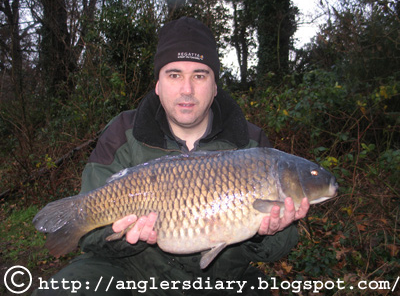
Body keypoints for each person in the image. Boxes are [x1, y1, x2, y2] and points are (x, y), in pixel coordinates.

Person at [33, 17, 309, 295]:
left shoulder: (252, 145)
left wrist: (269, 233)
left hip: (224, 278)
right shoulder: (123, 133)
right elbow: (91, 240)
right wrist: (123, 238)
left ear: (215, 87)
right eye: (174, 74)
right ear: (158, 84)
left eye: (199, 75)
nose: (186, 89)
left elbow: (275, 249)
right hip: (134, 271)